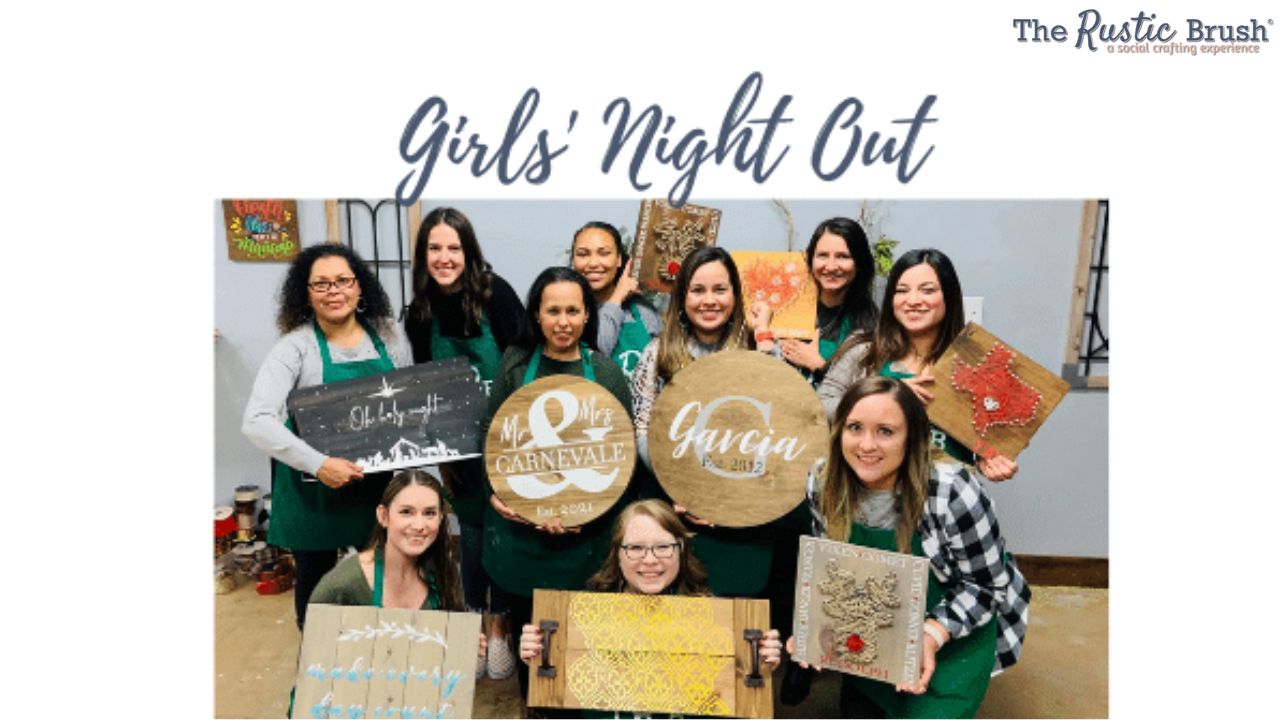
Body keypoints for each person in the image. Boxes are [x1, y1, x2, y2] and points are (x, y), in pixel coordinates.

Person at [792, 376, 1030, 718]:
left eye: (886, 431)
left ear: (912, 438)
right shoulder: (822, 480)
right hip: (875, 628)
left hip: (953, 637)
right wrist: (811, 630)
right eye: (854, 427)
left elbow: (987, 587)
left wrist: (931, 635)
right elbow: (832, 565)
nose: (866, 445)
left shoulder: (953, 492)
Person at [481, 266, 634, 704]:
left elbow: (621, 458)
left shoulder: (605, 374)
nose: (563, 321)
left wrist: (590, 513)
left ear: (588, 315)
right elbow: (490, 438)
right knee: (535, 649)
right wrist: (497, 494)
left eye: (573, 310)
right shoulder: (514, 365)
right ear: (537, 314)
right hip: (520, 541)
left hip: (585, 540)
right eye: (553, 311)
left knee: (582, 647)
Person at [242, 243, 412, 628]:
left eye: (343, 281)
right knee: (317, 594)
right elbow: (257, 420)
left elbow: (407, 401)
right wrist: (319, 465)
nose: (334, 291)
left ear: (359, 287)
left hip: (375, 486)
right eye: (321, 284)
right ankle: (320, 668)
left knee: (382, 580)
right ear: (305, 293)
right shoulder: (294, 348)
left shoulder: (390, 337)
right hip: (313, 491)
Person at [629, 246, 804, 611]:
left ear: (736, 296)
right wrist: (684, 489)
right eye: (698, 290)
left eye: (720, 290)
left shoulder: (757, 353)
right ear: (682, 297)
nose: (709, 300)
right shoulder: (657, 353)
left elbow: (786, 424)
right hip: (673, 511)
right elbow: (643, 429)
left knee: (737, 618)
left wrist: (765, 336)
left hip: (745, 520)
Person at [517, 500, 784, 717]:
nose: (650, 560)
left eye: (663, 547)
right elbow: (554, 710)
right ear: (618, 554)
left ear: (681, 550)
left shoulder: (715, 618)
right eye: (635, 548)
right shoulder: (579, 618)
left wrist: (756, 667)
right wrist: (538, 659)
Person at [403, 206, 524, 678]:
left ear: (469, 251)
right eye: (435, 248)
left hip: (511, 439)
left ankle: (504, 628)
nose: (444, 257)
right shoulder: (420, 312)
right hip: (459, 449)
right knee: (470, 537)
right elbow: (420, 385)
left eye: (454, 247)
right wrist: (441, 451)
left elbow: (522, 364)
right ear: (424, 254)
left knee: (508, 532)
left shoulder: (497, 295)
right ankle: (478, 630)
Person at [817, 248, 1019, 481]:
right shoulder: (864, 350)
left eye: (928, 290)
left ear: (948, 297)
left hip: (947, 500)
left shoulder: (980, 364)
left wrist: (989, 459)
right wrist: (888, 394)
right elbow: (819, 408)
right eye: (901, 291)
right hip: (872, 501)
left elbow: (992, 437)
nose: (912, 301)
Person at [309, 469, 465, 611]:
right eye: (406, 512)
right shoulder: (341, 586)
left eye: (429, 513)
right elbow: (316, 639)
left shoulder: (442, 571)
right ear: (383, 516)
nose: (419, 525)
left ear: (440, 518)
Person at [752, 217, 878, 387]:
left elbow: (869, 394)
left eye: (843, 256)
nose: (831, 266)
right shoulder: (786, 308)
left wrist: (818, 365)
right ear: (810, 260)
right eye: (823, 256)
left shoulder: (870, 326)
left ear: (859, 264)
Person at [569, 221, 662, 378]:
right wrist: (619, 294)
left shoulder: (642, 311)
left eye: (604, 253)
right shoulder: (567, 313)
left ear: (619, 259)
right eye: (583, 254)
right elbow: (596, 358)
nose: (593, 263)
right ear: (573, 260)